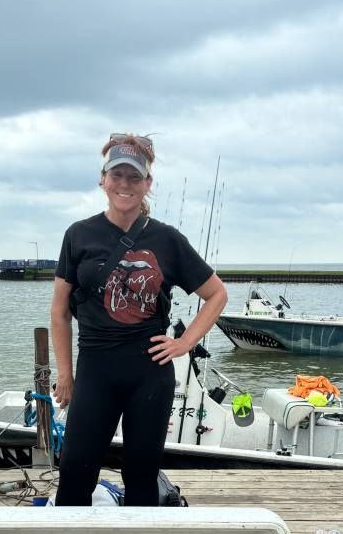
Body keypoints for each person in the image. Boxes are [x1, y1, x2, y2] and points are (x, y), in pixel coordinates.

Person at [50, 133, 228, 506]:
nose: (125, 184)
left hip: (149, 372)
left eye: (134, 177)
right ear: (103, 180)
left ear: (147, 183)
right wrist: (65, 375)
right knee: (76, 469)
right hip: (95, 369)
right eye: (117, 175)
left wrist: (185, 343)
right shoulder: (79, 235)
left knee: (141, 474)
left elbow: (216, 294)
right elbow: (60, 311)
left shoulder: (167, 239)